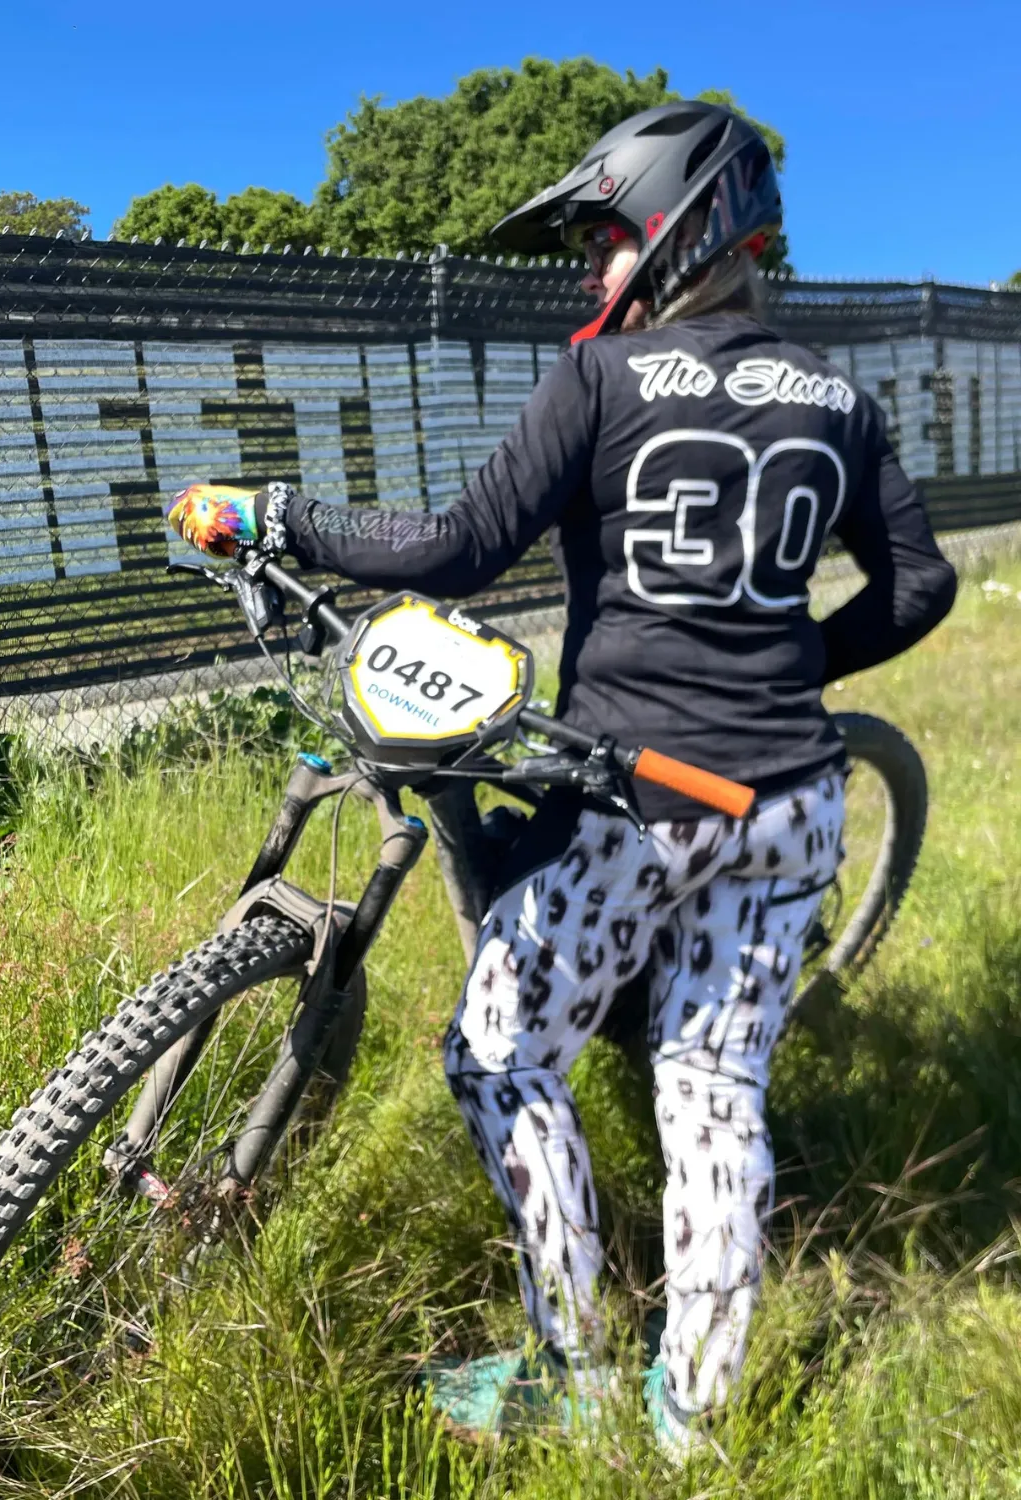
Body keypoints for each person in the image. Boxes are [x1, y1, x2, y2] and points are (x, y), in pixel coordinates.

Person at [164, 101, 956, 1455]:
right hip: (793, 805)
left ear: (682, 228)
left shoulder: (604, 378)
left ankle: (575, 1368)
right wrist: (791, 666)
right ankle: (694, 1421)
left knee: (500, 1055)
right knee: (714, 1088)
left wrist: (278, 513)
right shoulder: (839, 397)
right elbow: (922, 582)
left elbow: (457, 549)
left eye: (607, 240)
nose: (593, 268)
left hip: (637, 802)